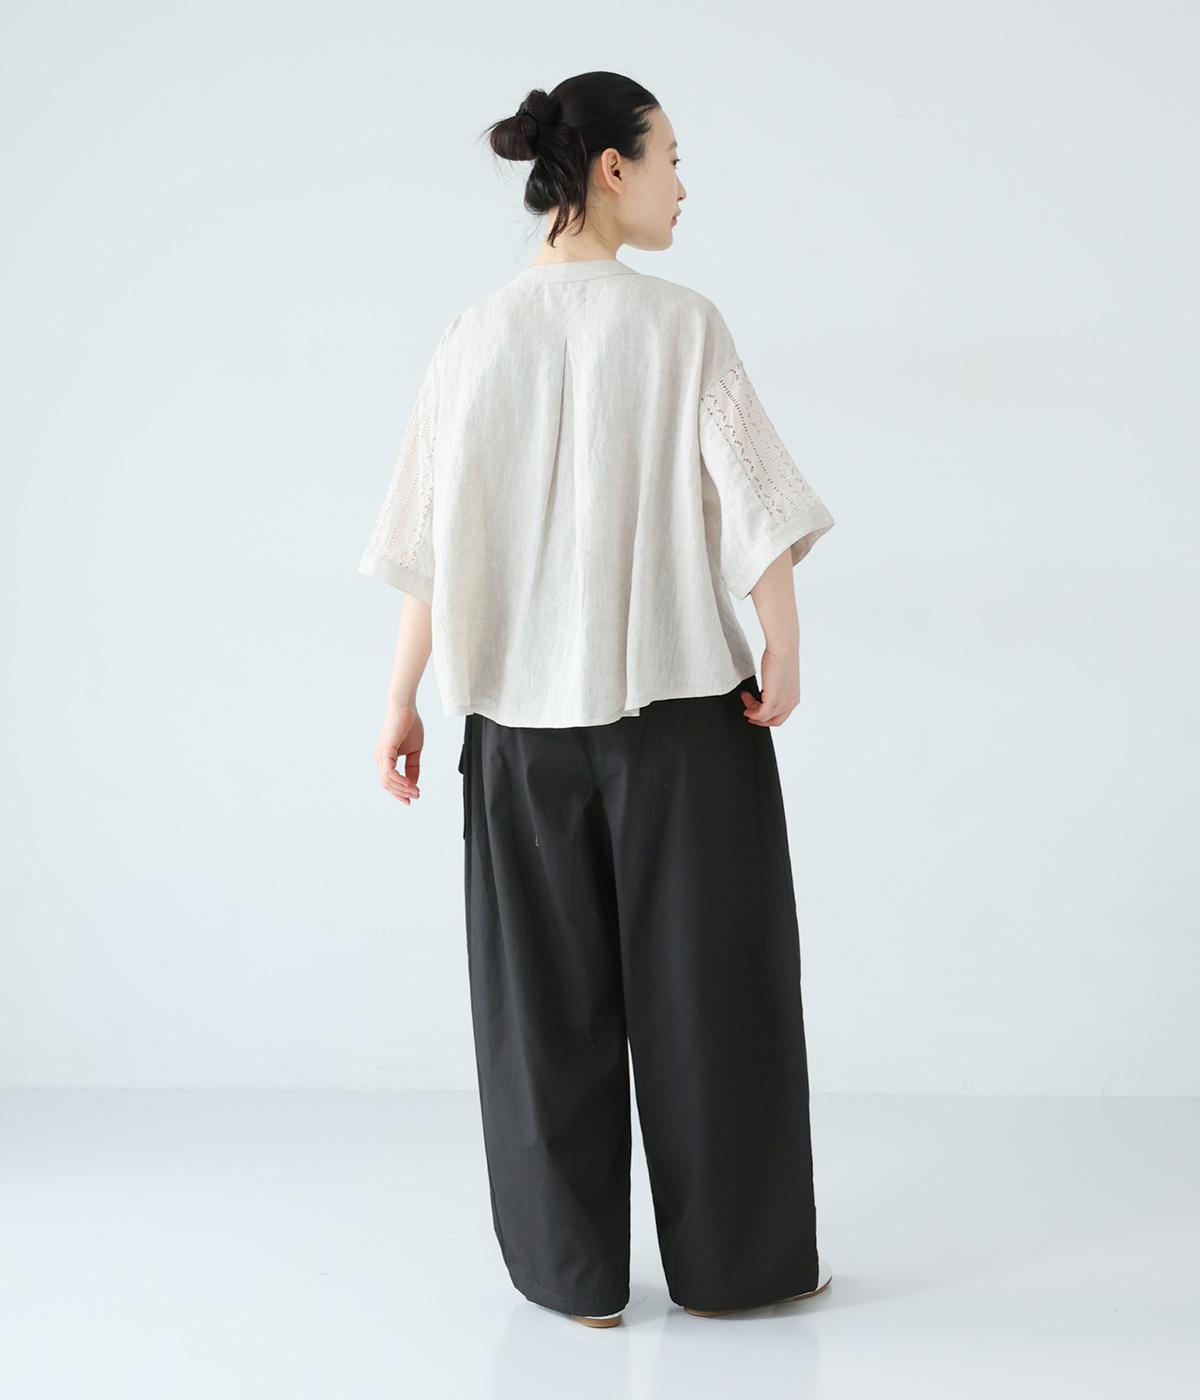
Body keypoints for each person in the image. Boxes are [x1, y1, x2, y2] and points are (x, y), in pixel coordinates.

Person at [357, 71, 836, 1328]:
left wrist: (402, 696)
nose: (684, 185)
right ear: (612, 169)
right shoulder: (681, 326)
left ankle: (574, 1282)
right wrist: (783, 643)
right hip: (682, 724)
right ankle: (740, 1267)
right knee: (713, 997)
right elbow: (758, 506)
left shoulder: (472, 336)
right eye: (672, 157)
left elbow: (427, 543)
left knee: (540, 1013)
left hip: (517, 732)